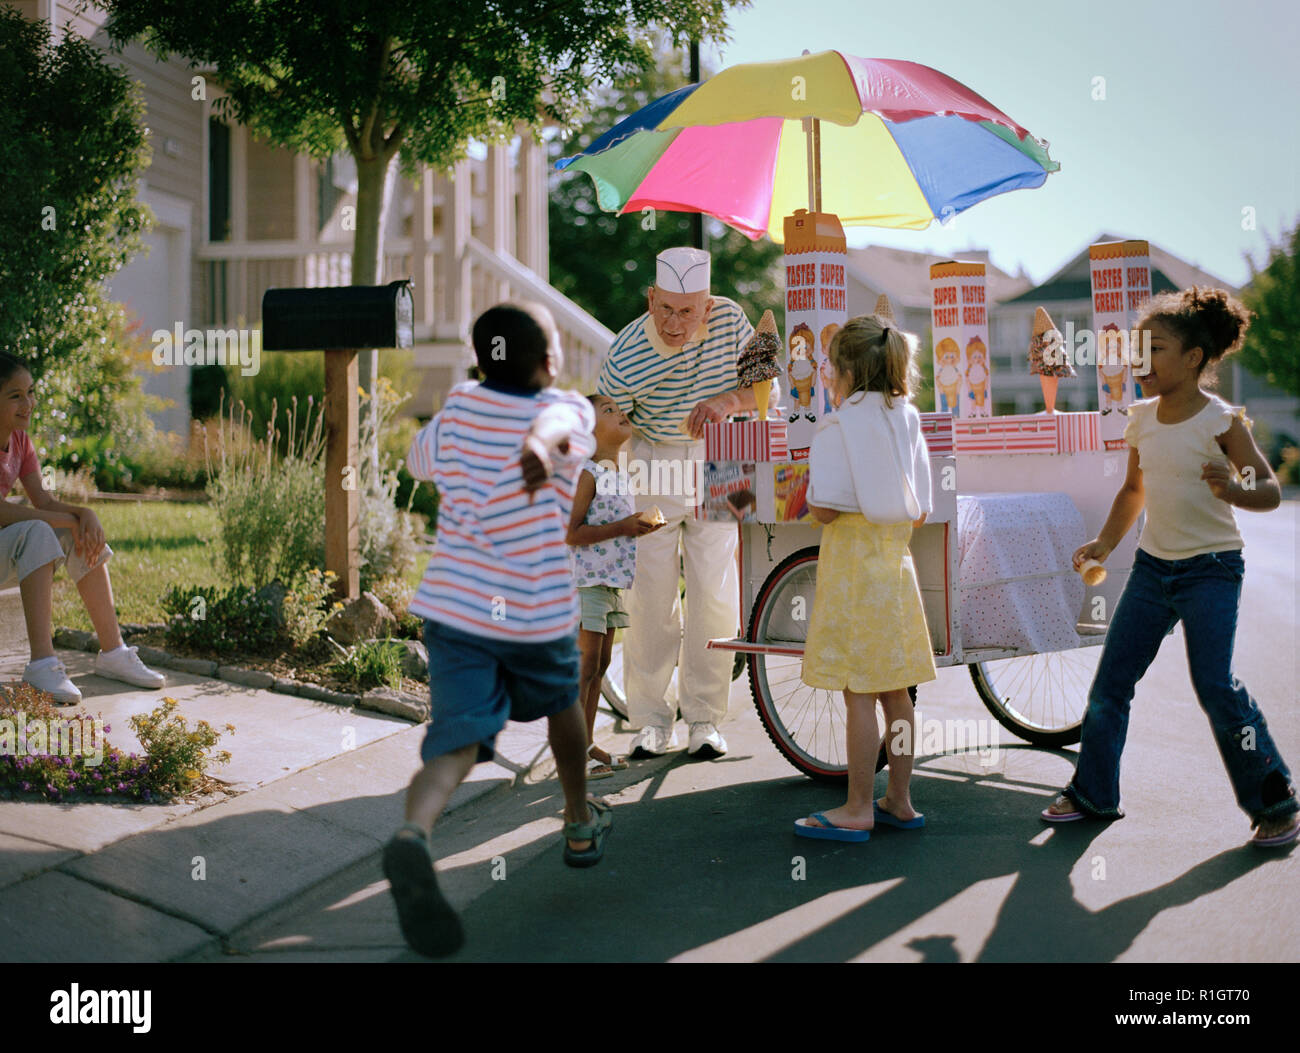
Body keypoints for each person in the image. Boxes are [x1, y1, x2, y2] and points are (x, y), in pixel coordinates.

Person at [383, 303, 611, 958]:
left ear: (482, 362)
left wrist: (488, 422)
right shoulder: (568, 408)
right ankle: (576, 819)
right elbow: (562, 421)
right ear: (551, 361)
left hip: (454, 611)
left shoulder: (456, 407)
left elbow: (417, 461)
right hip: (533, 612)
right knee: (563, 702)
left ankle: (414, 834)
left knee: (456, 739)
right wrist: (538, 446)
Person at [1044, 288, 1299, 847]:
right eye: (1137, 348)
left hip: (1211, 570)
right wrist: (1105, 544)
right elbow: (1134, 489)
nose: (1141, 359)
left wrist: (1234, 487)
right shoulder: (1141, 420)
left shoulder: (1222, 421)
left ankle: (1274, 800)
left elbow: (1270, 490)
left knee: (1215, 685)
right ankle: (1093, 793)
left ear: (1193, 358)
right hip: (1153, 570)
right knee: (1111, 683)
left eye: (1154, 348)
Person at [595, 247, 757, 759]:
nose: (673, 321)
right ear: (651, 297)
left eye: (687, 310)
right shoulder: (625, 353)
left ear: (708, 305)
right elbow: (603, 424)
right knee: (652, 594)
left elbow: (766, 387)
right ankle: (649, 718)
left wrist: (728, 402)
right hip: (652, 460)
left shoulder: (731, 320)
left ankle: (705, 720)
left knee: (715, 592)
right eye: (664, 307)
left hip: (725, 458)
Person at [792, 315, 936, 841]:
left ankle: (855, 808)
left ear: (846, 369)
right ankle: (899, 797)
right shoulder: (909, 417)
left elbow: (825, 509)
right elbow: (920, 510)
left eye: (828, 361)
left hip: (853, 569)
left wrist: (806, 495)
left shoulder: (837, 424)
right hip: (896, 566)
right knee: (895, 692)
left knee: (857, 691)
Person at [0, 352, 165, 703]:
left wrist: (83, 514)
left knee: (73, 534)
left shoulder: (19, 440)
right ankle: (42, 665)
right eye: (15, 395)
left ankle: (114, 652)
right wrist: (69, 521)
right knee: (40, 531)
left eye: (30, 392)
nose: (27, 403)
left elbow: (42, 501)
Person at [566, 394, 662, 778]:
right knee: (585, 665)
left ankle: (587, 744)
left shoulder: (618, 476)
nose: (620, 412)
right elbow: (571, 533)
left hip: (611, 583)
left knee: (601, 664)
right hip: (588, 583)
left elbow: (614, 530)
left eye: (618, 408)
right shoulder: (588, 474)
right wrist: (624, 527)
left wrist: (636, 526)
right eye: (607, 411)